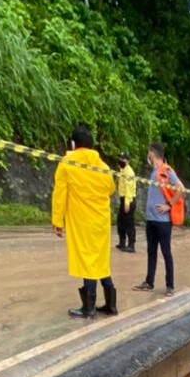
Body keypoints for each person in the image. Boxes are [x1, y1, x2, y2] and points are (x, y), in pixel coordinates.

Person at [52, 126, 118, 318]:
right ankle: (111, 305)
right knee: (101, 262)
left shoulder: (67, 163)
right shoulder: (104, 168)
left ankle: (89, 308)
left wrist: (58, 221)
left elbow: (59, 195)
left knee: (88, 261)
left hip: (82, 221)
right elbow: (111, 189)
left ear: (73, 144)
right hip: (101, 222)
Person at [133, 142, 182, 297]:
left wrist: (169, 205)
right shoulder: (154, 172)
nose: (148, 156)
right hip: (151, 220)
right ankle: (149, 282)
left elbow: (180, 188)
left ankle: (170, 286)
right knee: (151, 252)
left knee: (166, 252)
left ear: (152, 154)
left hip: (163, 221)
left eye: (149, 153)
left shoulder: (166, 170)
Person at [115, 153, 136, 253]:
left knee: (129, 223)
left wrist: (127, 203)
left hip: (129, 199)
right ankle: (122, 242)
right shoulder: (122, 170)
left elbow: (129, 188)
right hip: (123, 199)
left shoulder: (129, 172)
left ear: (127, 161)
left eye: (122, 159)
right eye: (120, 158)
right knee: (121, 221)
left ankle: (131, 245)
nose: (120, 160)